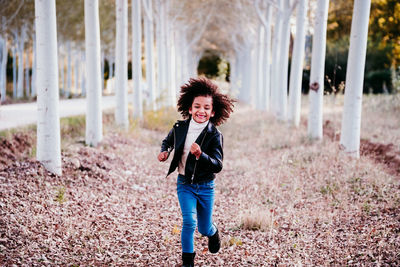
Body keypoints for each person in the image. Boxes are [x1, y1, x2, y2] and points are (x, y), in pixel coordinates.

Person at [158, 77, 234, 267]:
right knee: (189, 223)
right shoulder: (180, 127)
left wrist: (201, 155)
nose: (202, 111)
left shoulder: (215, 135)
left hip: (206, 186)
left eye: (206, 108)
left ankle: (213, 232)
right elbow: (168, 141)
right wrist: (165, 151)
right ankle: (188, 262)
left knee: (203, 227)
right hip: (185, 184)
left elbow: (218, 165)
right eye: (197, 106)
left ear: (213, 112)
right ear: (190, 109)